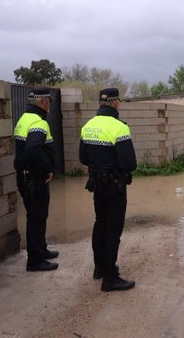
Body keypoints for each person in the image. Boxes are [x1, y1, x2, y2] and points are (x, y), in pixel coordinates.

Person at [79, 88, 137, 291]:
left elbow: (83, 158)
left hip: (97, 185)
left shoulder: (88, 126)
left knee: (100, 223)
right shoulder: (119, 127)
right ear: (115, 103)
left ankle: (100, 268)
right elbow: (130, 163)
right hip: (114, 185)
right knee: (113, 228)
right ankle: (111, 278)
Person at [14, 88, 59, 272]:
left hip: (25, 176)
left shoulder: (24, 119)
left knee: (38, 216)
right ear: (43, 102)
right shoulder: (38, 123)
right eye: (50, 101)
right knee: (36, 217)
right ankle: (35, 261)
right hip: (34, 177)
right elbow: (33, 149)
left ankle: (41, 250)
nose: (50, 105)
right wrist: (47, 168)